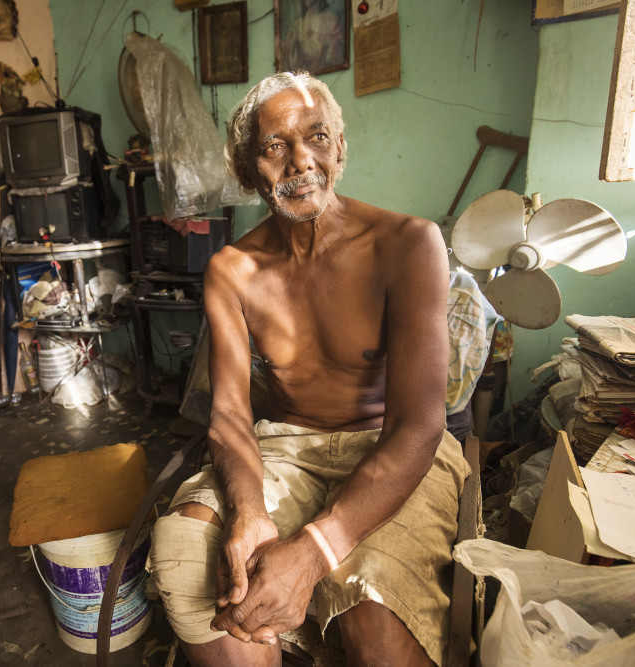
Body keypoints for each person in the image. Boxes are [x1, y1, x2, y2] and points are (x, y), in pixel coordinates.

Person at [147, 71, 469, 666]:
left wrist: (316, 549)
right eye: (275, 145)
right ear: (249, 171)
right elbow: (229, 415)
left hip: (390, 447)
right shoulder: (232, 270)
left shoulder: (409, 244)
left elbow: (421, 425)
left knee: (370, 605)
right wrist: (248, 512)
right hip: (285, 447)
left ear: (339, 148)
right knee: (187, 551)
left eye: (316, 136)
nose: (300, 160)